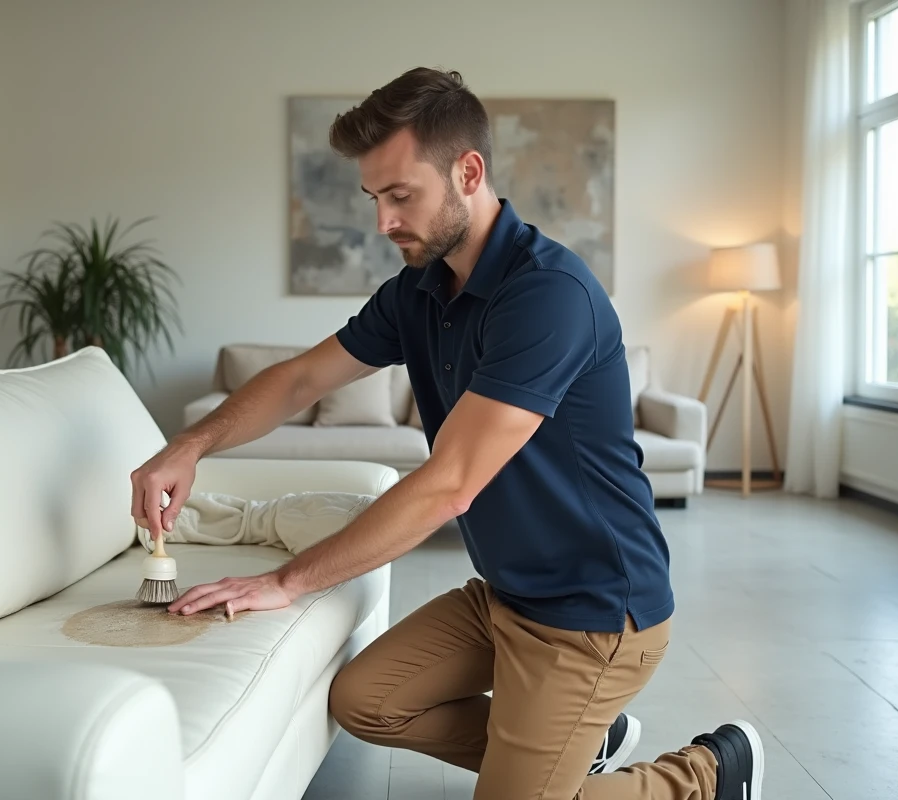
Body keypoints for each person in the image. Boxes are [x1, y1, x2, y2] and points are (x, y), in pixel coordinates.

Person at [130, 67, 764, 800]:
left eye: (401, 195)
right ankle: (583, 744)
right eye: (374, 198)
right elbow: (300, 380)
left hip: (593, 617)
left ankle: (707, 774)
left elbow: (450, 486)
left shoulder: (547, 296)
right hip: (505, 599)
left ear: (468, 172)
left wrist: (284, 582)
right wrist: (188, 446)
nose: (383, 222)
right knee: (364, 700)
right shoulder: (420, 290)